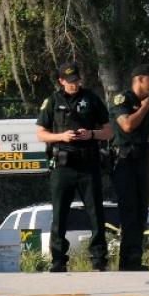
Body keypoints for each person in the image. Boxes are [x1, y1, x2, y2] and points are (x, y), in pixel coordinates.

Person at [36, 62, 112, 272]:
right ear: (61, 81)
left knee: (96, 213)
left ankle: (99, 259)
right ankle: (58, 260)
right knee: (60, 214)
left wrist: (92, 134)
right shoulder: (52, 101)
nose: (74, 85)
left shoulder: (91, 98)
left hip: (89, 165)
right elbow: (40, 133)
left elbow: (108, 130)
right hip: (63, 166)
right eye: (69, 82)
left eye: (76, 80)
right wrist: (62, 136)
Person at [110, 64, 149, 271]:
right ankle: (127, 261)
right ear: (139, 79)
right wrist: (143, 107)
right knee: (129, 211)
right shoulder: (123, 100)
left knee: (141, 212)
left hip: (144, 163)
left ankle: (134, 259)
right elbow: (126, 125)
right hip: (125, 163)